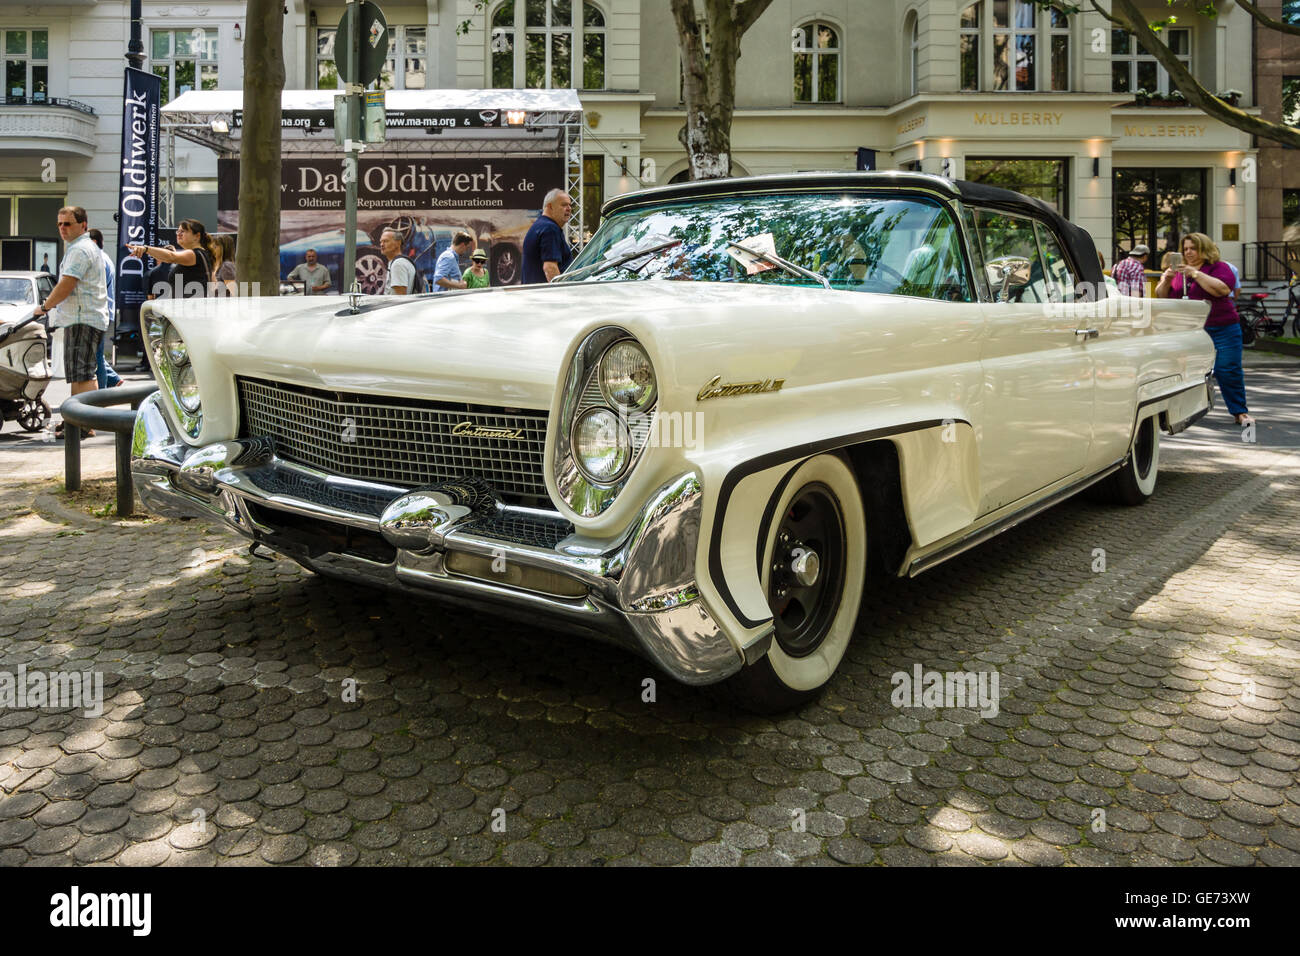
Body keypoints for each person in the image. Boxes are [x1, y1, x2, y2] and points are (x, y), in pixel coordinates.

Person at [1155, 232, 1253, 426]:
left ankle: (1239, 412)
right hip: (1188, 331)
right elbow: (1161, 295)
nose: (1189, 252)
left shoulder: (1219, 267)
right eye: (1186, 249)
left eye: (1193, 248)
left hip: (1222, 327)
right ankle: (1179, 413)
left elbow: (1223, 289)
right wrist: (1166, 280)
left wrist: (1196, 273)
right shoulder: (1178, 271)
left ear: (1204, 249)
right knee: (1182, 371)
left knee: (1227, 369)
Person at [31, 206, 110, 439]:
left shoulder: (81, 249)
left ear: (83, 225)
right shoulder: (82, 247)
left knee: (83, 374)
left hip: (82, 317)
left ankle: (85, 424)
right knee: (80, 374)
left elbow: (66, 284)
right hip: (84, 317)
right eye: (59, 224)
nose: (62, 228)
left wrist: (45, 306)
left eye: (68, 224)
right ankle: (79, 422)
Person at [129, 219, 213, 298]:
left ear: (197, 236)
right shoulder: (198, 253)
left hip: (191, 309)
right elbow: (168, 257)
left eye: (183, 231)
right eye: (178, 231)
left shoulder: (195, 254)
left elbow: (170, 257)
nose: (179, 234)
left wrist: (145, 249)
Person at [88, 228, 123, 389]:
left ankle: (100, 394)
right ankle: (113, 379)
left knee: (95, 357)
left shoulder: (98, 260)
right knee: (97, 354)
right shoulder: (104, 257)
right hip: (103, 312)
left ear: (93, 242)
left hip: (97, 313)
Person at [523, 189, 574, 284]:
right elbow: (550, 268)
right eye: (564, 205)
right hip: (546, 296)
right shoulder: (550, 228)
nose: (569, 208)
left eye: (570, 205)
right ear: (550, 206)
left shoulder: (540, 226)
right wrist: (562, 293)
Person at [380, 228, 416, 294]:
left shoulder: (398, 264)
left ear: (398, 243)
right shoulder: (401, 261)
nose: (382, 244)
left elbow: (400, 296)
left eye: (386, 241)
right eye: (381, 241)